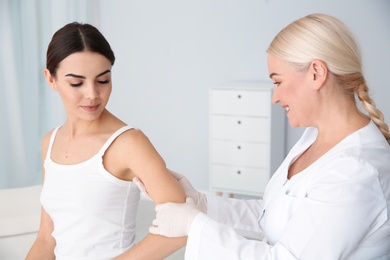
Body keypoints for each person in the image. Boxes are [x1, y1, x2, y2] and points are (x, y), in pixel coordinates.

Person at [136, 13, 390, 259]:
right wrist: (202, 204)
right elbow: (270, 217)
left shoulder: (356, 172)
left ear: (316, 73)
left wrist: (194, 225)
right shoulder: (314, 137)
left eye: (278, 82)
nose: (275, 97)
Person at [26, 22, 186, 260]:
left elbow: (184, 222)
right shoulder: (50, 142)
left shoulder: (128, 144)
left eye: (103, 80)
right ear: (51, 79)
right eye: (76, 83)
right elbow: (46, 239)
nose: (92, 94)